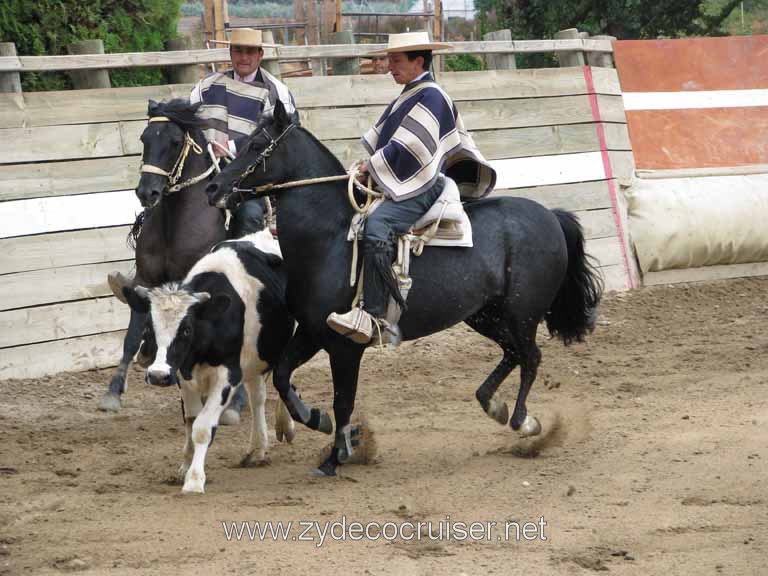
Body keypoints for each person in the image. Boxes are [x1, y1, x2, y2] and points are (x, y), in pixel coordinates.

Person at [326, 31, 497, 345]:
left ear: (418, 61)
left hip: (425, 185)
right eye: (389, 60)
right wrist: (370, 171)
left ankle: (375, 316)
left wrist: (372, 166)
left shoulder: (432, 96)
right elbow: (392, 145)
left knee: (378, 225)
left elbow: (414, 147)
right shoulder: (409, 94)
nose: (389, 66)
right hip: (404, 182)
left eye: (396, 60)